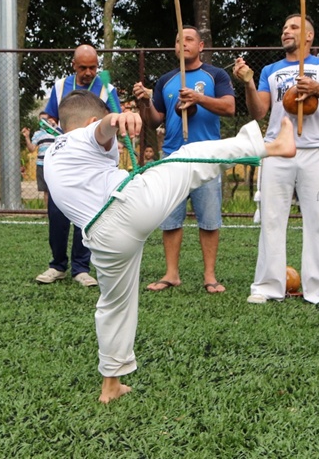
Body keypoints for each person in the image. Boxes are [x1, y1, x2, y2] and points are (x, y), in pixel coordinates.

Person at [45, 90, 298, 402]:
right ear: (90, 120)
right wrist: (116, 119)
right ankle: (272, 146)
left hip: (102, 238)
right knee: (186, 159)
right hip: (127, 206)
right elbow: (102, 129)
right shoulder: (83, 135)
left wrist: (112, 123)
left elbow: (98, 137)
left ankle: (110, 385)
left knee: (112, 307)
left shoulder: (53, 153)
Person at [233, 14, 319, 308]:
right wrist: (248, 82)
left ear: (309, 36)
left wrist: (317, 89)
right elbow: (259, 111)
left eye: (294, 27)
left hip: (314, 152)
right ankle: (267, 286)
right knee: (272, 218)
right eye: (284, 27)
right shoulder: (271, 70)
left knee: (318, 221)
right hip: (277, 150)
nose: (286, 31)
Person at [132, 26, 235, 293]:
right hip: (173, 155)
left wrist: (199, 98)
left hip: (206, 156)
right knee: (170, 218)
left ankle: (210, 276)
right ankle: (171, 274)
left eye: (188, 39)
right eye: (178, 40)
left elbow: (229, 107)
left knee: (209, 219)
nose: (183, 44)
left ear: (201, 46)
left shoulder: (216, 75)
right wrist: (144, 101)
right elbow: (154, 121)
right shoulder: (166, 80)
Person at [36, 44, 120, 287]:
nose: (88, 72)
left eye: (93, 67)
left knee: (87, 213)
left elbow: (116, 118)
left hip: (94, 161)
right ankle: (57, 265)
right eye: (83, 67)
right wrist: (46, 120)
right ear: (74, 66)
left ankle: (81, 268)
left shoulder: (107, 88)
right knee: (57, 212)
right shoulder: (61, 86)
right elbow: (49, 114)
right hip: (65, 161)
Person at [22, 123, 57, 204]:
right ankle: (48, 212)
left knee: (57, 189)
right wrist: (27, 137)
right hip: (42, 165)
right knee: (46, 190)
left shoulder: (59, 131)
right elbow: (32, 149)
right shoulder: (38, 134)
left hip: (56, 164)